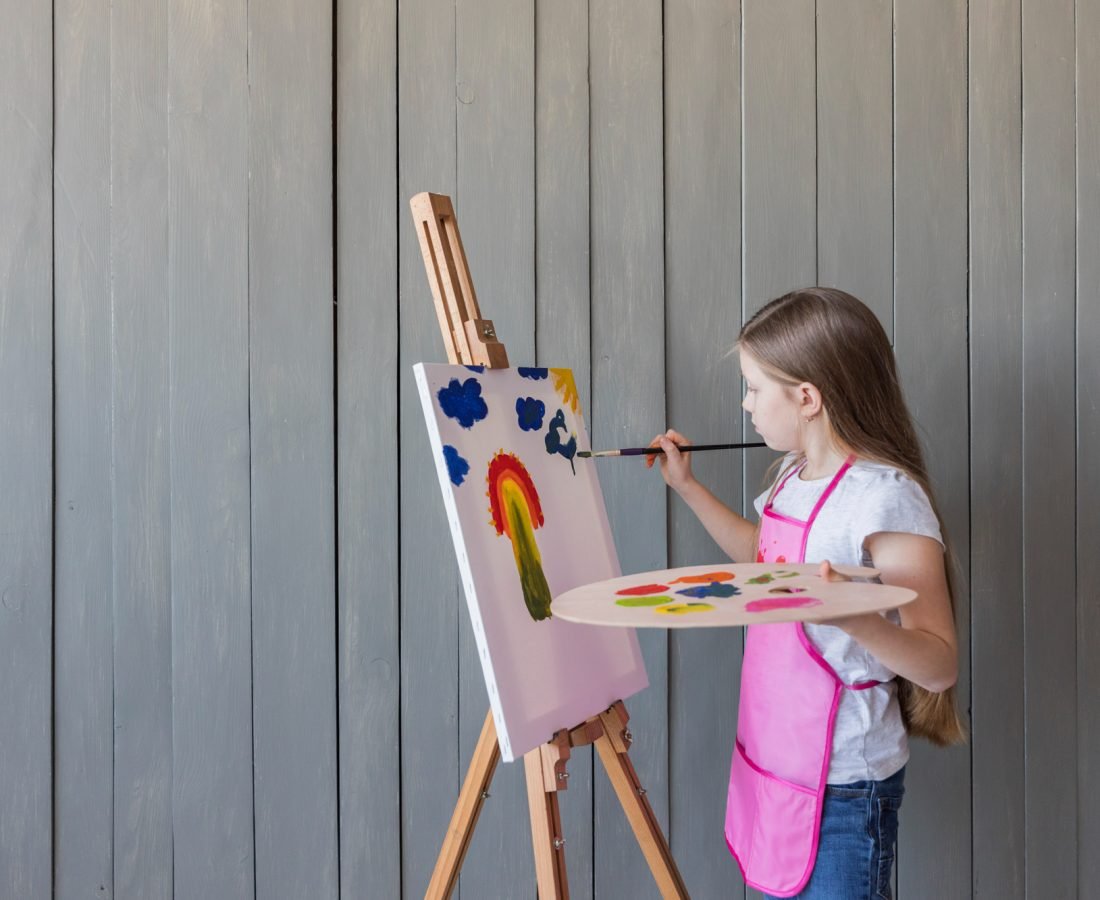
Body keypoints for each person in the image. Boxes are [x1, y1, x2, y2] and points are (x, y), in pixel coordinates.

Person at [647, 287, 965, 899]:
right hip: (775, 764)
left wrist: (851, 616)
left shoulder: (883, 496)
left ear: (807, 398)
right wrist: (687, 487)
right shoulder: (793, 478)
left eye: (754, 388)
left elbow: (940, 663)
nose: (746, 403)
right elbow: (764, 559)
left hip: (844, 785)